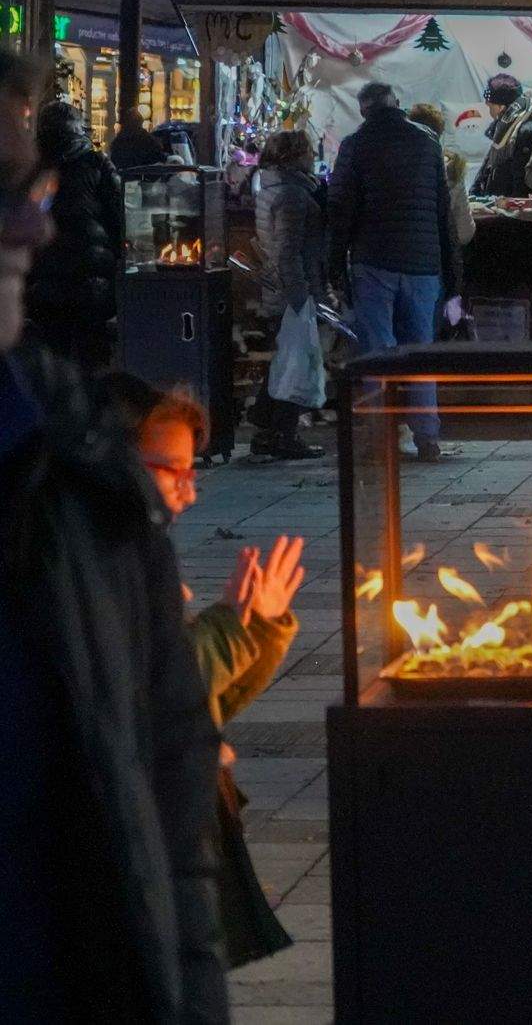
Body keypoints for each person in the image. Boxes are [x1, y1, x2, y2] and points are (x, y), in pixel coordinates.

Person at [0, 51, 229, 1020]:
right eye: (8, 192)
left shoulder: (86, 470)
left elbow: (168, 813)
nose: (32, 224)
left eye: (30, 185)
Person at [102, 373, 306, 972]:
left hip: (183, 812)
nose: (190, 492)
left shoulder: (141, 553)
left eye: (193, 471)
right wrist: (232, 629)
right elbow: (152, 687)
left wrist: (258, 628)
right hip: (139, 832)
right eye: (172, 470)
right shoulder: (100, 563)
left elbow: (203, 703)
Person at [328, 81, 461, 461]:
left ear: (364, 110)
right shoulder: (427, 142)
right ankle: (427, 437)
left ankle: (380, 433)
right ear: (397, 104)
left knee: (377, 351)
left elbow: (341, 208)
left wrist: (335, 262)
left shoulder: (355, 145)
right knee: (419, 351)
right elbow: (442, 211)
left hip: (374, 261)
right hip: (423, 263)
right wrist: (452, 272)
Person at [23, 98, 124, 373]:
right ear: (78, 131)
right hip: (91, 285)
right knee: (92, 362)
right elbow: (119, 218)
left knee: (51, 363)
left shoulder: (31, 171)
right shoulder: (95, 165)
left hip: (44, 287)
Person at [249, 128, 327, 460]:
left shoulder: (273, 187)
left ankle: (268, 426)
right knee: (295, 363)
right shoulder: (293, 195)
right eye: (309, 151)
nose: (314, 157)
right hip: (291, 292)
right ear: (295, 156)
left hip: (277, 288)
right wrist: (302, 296)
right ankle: (283, 432)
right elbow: (288, 252)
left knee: (285, 361)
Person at [407, 103, 476, 248]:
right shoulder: (452, 169)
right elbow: (465, 232)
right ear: (439, 132)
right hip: (440, 254)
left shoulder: (392, 168)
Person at [472, 74, 532, 198]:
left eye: (490, 106)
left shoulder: (525, 132)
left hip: (513, 211)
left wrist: (514, 209)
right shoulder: (505, 130)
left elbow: (522, 181)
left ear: (501, 107)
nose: (489, 110)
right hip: (502, 206)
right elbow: (487, 168)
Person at [110, 106, 167, 172]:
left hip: (125, 177)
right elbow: (160, 157)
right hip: (146, 177)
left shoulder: (119, 141)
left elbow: (114, 160)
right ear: (140, 122)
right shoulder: (148, 139)